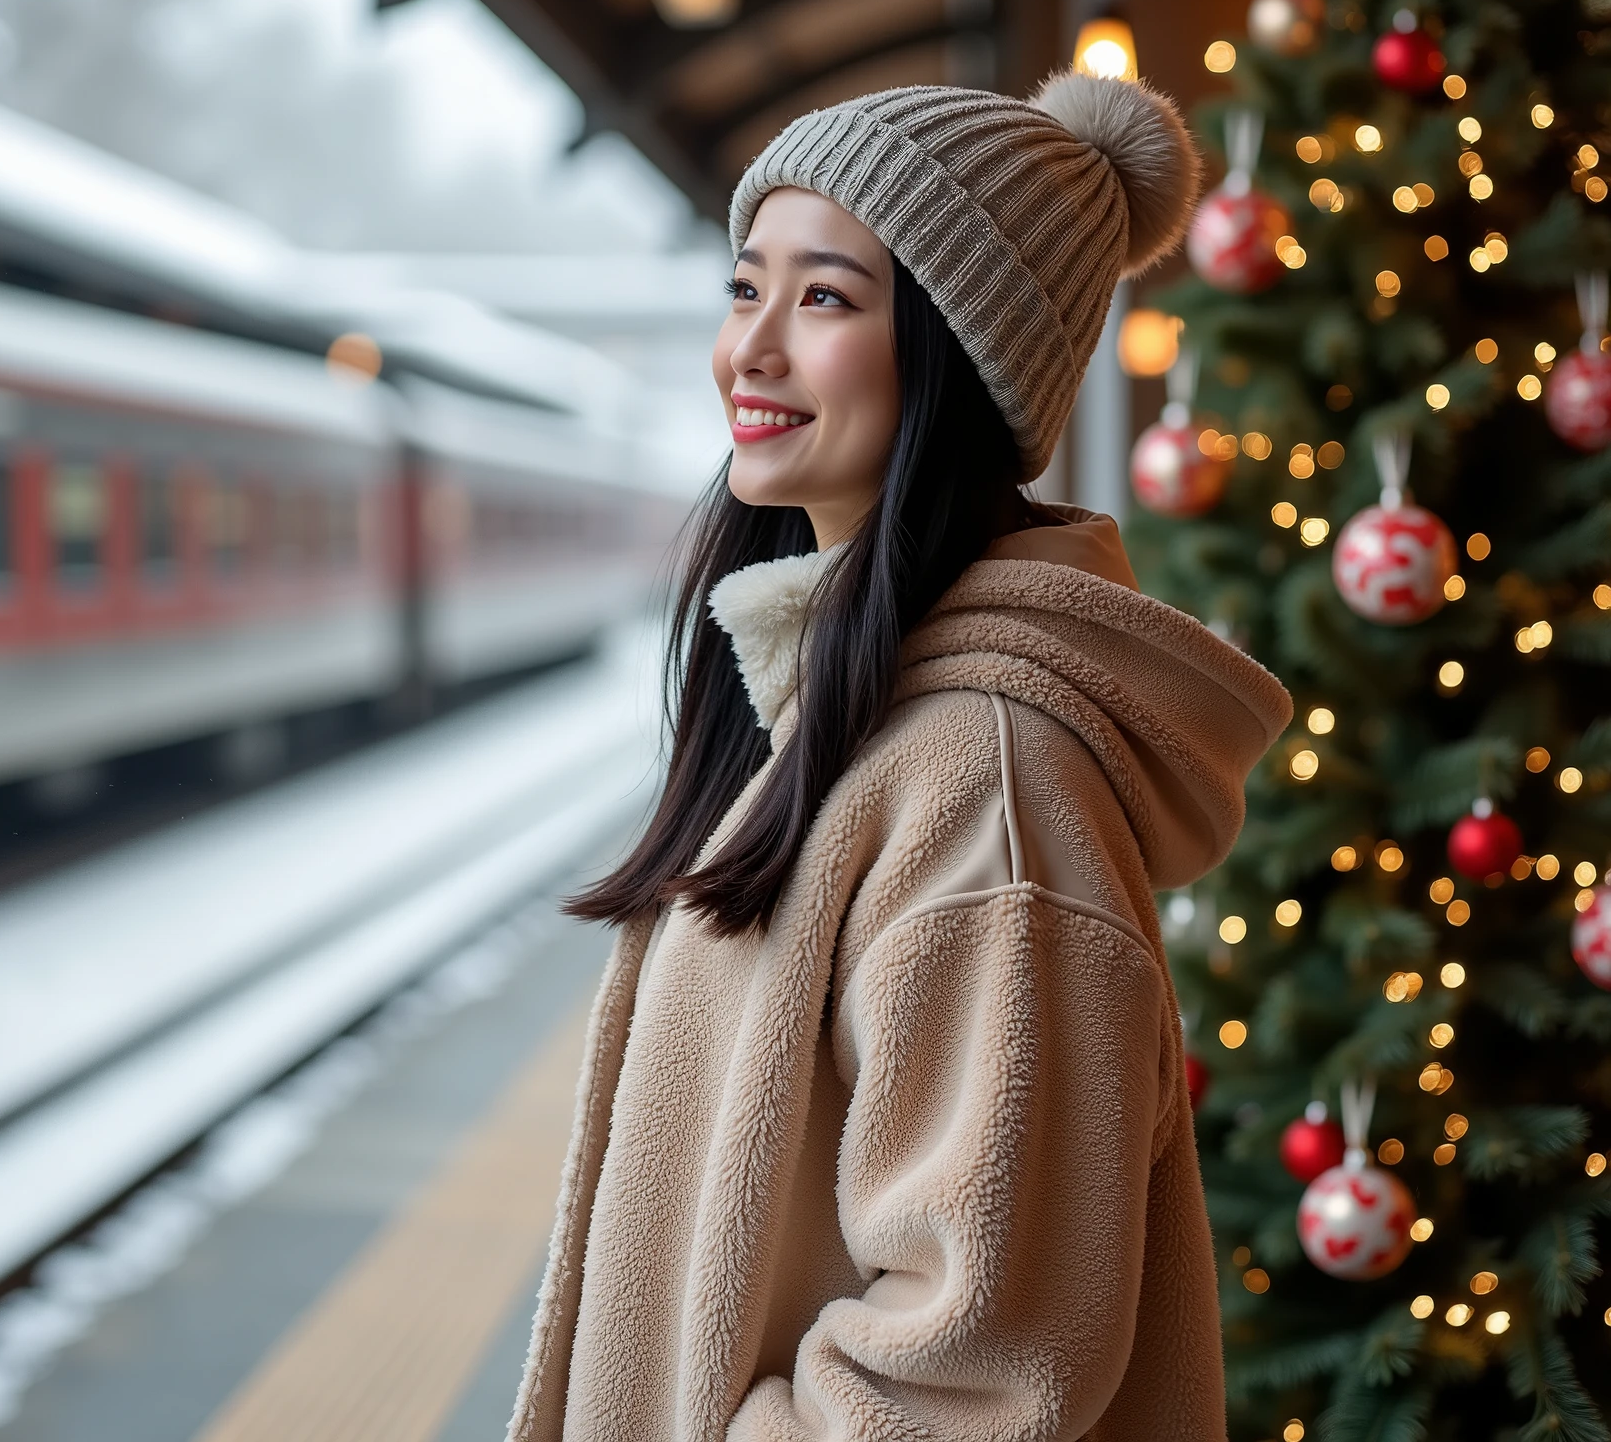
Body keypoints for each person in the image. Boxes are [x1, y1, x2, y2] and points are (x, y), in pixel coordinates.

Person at [506, 73, 1293, 1442]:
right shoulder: (842, 720)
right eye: (746, 288)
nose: (750, 351)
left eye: (824, 300)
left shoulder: (985, 787)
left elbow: (980, 1363)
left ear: (955, 357)